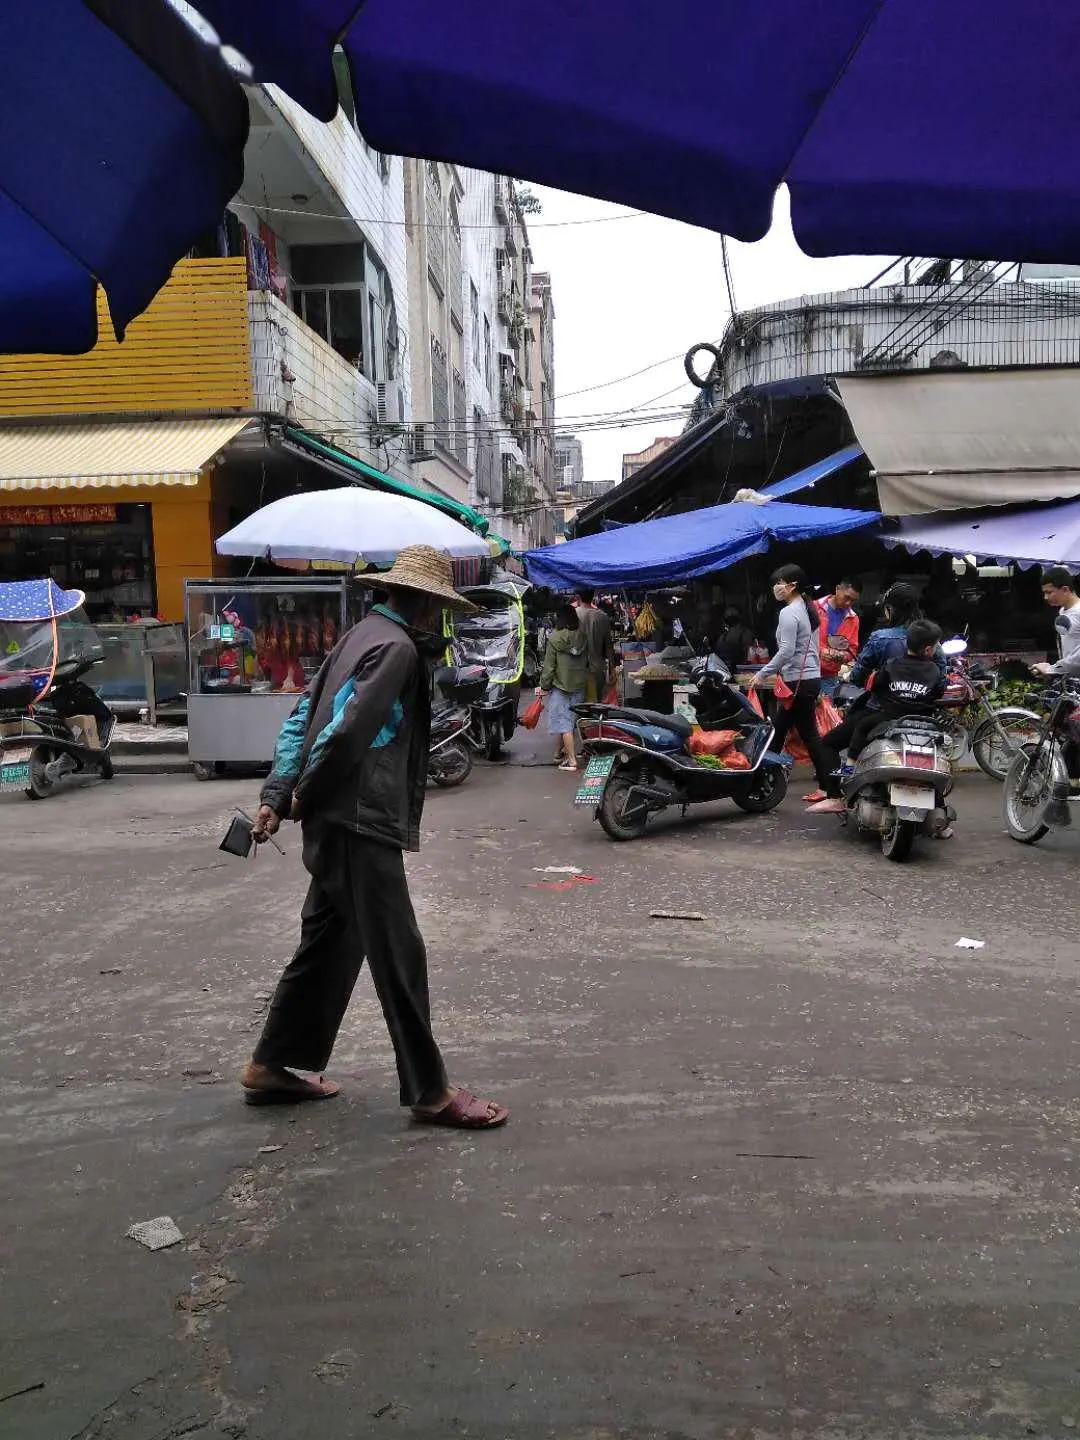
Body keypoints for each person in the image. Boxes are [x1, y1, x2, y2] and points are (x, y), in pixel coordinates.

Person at [239, 545, 509, 1130]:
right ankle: (430, 1090)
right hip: (358, 818)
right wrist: (298, 795)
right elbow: (342, 733)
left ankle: (272, 1063)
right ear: (425, 602)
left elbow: (302, 718)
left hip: (335, 818)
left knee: (330, 941)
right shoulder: (398, 649)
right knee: (398, 949)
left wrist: (279, 793)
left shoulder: (359, 634)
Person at [808, 619, 947, 813]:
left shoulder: (891, 664)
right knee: (939, 749)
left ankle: (847, 772)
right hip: (923, 722)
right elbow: (938, 692)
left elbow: (877, 687)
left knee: (861, 728)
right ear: (929, 650)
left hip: (888, 718)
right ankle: (940, 807)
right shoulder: (935, 670)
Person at [750, 563, 833, 798]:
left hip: (797, 682)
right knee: (782, 731)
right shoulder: (807, 609)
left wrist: (762, 673)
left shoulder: (789, 612)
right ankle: (764, 781)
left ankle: (827, 787)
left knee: (805, 735)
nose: (776, 587)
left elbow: (786, 652)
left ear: (793, 585)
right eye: (775, 582)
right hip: (807, 680)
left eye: (780, 582)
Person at [1033, 565, 1080, 789]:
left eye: (1050, 592)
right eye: (1044, 592)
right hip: (1070, 683)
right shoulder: (1062, 613)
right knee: (1070, 734)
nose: (1046, 597)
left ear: (1065, 589)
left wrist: (1054, 668)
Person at [538, 602, 589, 771]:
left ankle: (572, 760)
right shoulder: (582, 636)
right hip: (579, 684)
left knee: (564, 723)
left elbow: (549, 667)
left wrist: (544, 687)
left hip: (561, 686)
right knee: (569, 722)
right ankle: (558, 752)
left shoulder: (554, 638)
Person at [816, 579, 861, 696]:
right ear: (837, 589)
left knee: (827, 713)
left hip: (829, 676)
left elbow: (852, 650)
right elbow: (801, 640)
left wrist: (842, 656)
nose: (848, 603)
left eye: (853, 601)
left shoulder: (853, 619)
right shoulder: (814, 608)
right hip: (807, 673)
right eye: (847, 597)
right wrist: (820, 651)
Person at [574, 587, 614, 702]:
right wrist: (612, 670)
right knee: (597, 706)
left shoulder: (573, 615)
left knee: (579, 707)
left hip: (577, 669)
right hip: (597, 669)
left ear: (578, 597)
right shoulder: (602, 616)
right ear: (593, 596)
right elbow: (609, 647)